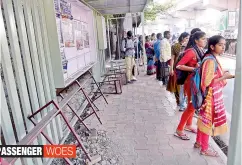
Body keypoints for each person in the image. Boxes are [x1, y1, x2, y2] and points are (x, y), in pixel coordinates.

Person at [194, 35, 234, 156]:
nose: (223, 47)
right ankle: (205, 149)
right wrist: (224, 77)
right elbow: (207, 82)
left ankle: (198, 142)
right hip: (210, 96)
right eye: (220, 45)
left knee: (203, 119)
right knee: (207, 121)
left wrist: (222, 73)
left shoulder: (209, 57)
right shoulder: (211, 60)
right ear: (212, 46)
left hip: (207, 95)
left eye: (224, 45)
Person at [174, 31, 207, 140]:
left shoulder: (200, 50)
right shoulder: (192, 52)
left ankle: (188, 125)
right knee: (191, 106)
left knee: (192, 105)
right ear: (196, 40)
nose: (205, 41)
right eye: (203, 39)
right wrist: (194, 69)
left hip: (194, 81)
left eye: (205, 39)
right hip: (191, 82)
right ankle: (179, 130)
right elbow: (179, 66)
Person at [167, 32, 190, 111]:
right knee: (176, 86)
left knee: (183, 87)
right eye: (186, 38)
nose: (187, 39)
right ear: (182, 37)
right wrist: (171, 69)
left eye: (188, 38)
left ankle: (182, 103)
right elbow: (172, 58)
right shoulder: (175, 46)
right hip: (176, 69)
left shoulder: (188, 47)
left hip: (185, 69)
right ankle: (180, 103)